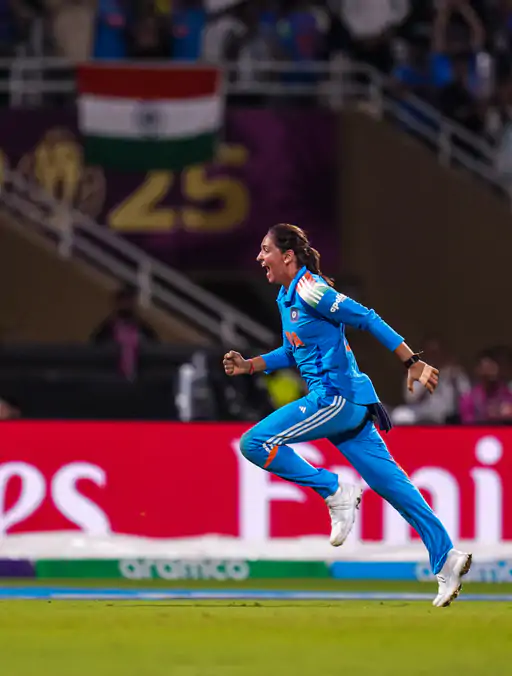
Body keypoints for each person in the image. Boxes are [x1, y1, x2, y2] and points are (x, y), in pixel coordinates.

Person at [223, 223, 471, 608]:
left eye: (265, 249)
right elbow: (293, 351)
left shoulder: (311, 290)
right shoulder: (287, 296)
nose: (259, 257)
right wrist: (251, 365)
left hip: (334, 399)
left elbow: (366, 317)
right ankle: (447, 558)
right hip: (350, 405)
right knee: (394, 486)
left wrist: (412, 361)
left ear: (287, 256)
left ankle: (333, 489)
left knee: (254, 442)